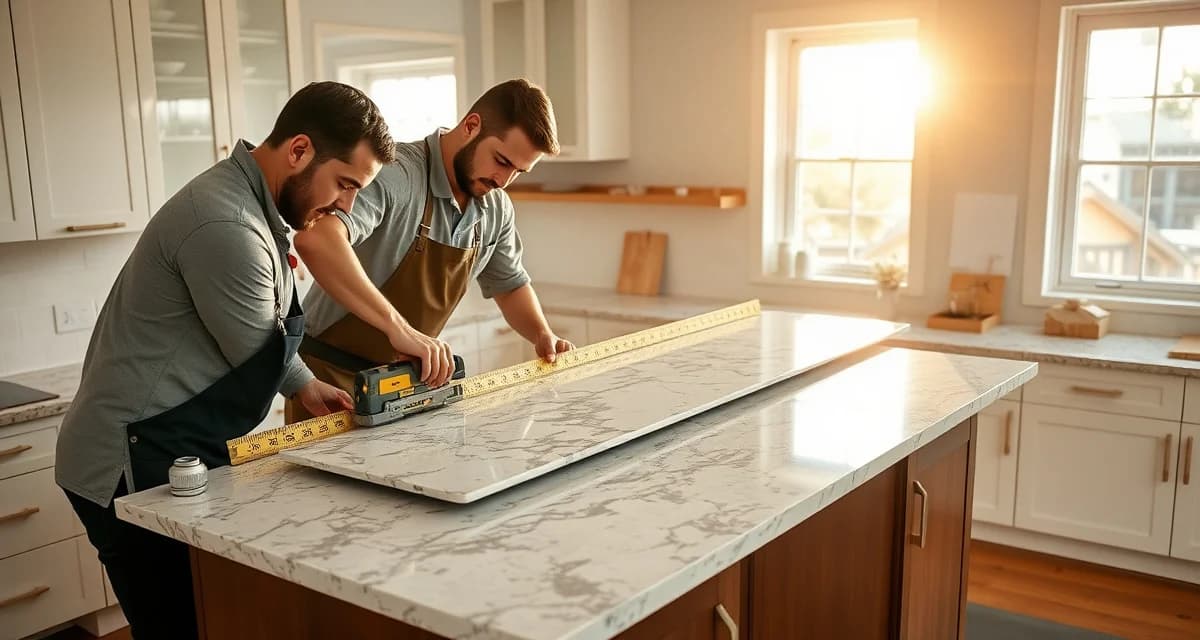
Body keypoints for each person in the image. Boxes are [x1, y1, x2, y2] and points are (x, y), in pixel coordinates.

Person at [54, 81, 396, 639]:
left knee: (219, 614)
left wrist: (306, 388)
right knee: (186, 626)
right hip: (127, 460)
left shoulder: (253, 207)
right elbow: (259, 353)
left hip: (168, 441)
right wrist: (298, 376)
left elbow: (262, 331)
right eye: (345, 184)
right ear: (299, 150)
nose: (347, 205)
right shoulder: (226, 224)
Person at [287, 79, 573, 422]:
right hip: (329, 380)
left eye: (518, 171)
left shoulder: (496, 208)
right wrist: (399, 328)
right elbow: (316, 240)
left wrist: (542, 334)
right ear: (471, 126)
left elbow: (510, 284)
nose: (504, 180)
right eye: (501, 160)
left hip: (408, 386)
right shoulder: (396, 174)